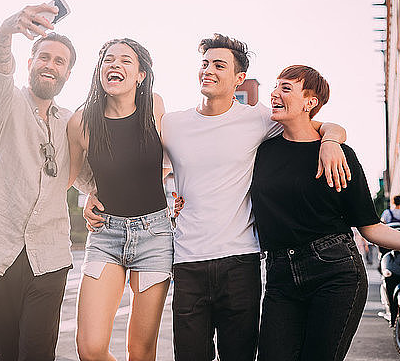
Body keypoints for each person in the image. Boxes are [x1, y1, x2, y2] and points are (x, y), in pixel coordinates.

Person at [85, 33, 350, 361]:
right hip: (187, 261)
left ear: (239, 78)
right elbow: (137, 164)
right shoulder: (173, 124)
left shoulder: (258, 119)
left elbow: (320, 125)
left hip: (240, 263)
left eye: (219, 65)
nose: (208, 70)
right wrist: (94, 191)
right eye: (205, 63)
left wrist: (332, 142)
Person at [250, 65, 400, 361]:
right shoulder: (262, 151)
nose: (275, 94)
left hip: (335, 272)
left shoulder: (343, 156)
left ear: (310, 102)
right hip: (279, 276)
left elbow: (370, 227)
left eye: (286, 88)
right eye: (275, 87)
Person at [0, 3, 79, 361]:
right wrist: (5, 33)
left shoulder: (72, 122)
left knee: (36, 353)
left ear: (68, 74)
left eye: (60, 61)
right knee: (9, 354)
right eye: (43, 57)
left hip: (50, 256)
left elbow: (92, 175)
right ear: (30, 63)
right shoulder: (6, 103)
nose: (50, 64)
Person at [66, 38, 173, 361]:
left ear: (141, 74)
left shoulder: (154, 106)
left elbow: (170, 161)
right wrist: (91, 195)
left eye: (126, 61)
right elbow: (67, 179)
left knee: (140, 352)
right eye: (108, 60)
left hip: (154, 235)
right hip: (105, 236)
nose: (115, 65)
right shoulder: (81, 121)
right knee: (91, 348)